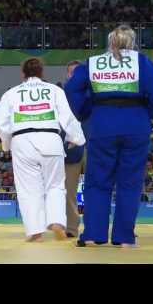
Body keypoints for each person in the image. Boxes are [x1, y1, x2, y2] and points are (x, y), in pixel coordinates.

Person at [65, 25, 153, 248]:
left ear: (110, 42)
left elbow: (72, 88)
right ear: (131, 43)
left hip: (102, 123)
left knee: (97, 181)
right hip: (135, 123)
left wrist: (84, 112)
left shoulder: (93, 62)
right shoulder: (142, 62)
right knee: (129, 183)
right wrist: (146, 113)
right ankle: (124, 238)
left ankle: (93, 234)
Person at [0, 58, 85, 242]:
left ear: (23, 74)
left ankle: (35, 231)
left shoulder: (12, 93)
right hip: (51, 139)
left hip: (22, 141)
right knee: (56, 185)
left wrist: (7, 142)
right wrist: (76, 138)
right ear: (42, 73)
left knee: (29, 188)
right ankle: (57, 222)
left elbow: (0, 119)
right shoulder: (54, 90)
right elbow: (68, 117)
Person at [63, 60, 86, 238]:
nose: (73, 75)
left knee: (99, 188)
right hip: (71, 147)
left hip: (94, 146)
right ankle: (71, 228)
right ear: (67, 75)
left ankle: (97, 227)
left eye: (77, 72)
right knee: (69, 190)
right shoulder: (60, 96)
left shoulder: (94, 92)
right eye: (71, 72)